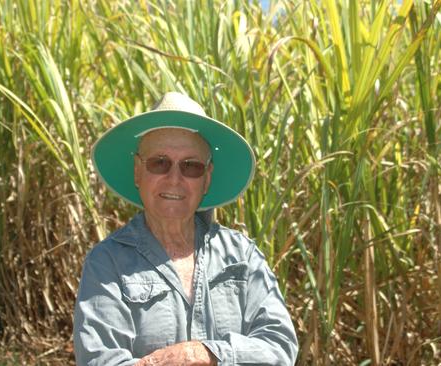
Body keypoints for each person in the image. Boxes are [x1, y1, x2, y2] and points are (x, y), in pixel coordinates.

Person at [73, 92, 298, 365]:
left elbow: (280, 347)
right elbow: (100, 360)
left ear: (207, 179)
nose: (174, 179)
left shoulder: (243, 256)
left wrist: (205, 354)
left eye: (191, 166)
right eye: (159, 163)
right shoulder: (107, 263)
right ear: (137, 172)